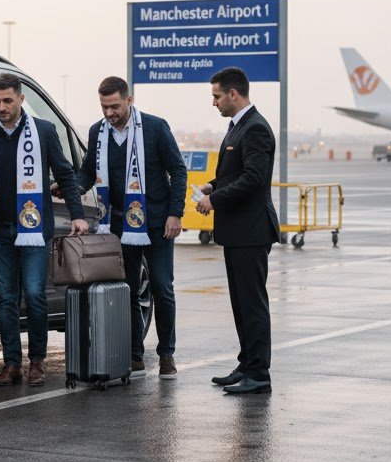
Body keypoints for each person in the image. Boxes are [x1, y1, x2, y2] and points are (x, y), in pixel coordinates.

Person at [0, 73, 88, 388]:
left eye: (7, 101)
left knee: (35, 295)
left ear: (21, 99)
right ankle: (11, 363)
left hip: (34, 230)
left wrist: (77, 216)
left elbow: (66, 175)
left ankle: (37, 361)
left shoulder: (44, 132)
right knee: (6, 299)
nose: (1, 107)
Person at [74, 76, 187, 378]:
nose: (109, 113)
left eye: (114, 106)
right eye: (103, 107)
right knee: (128, 290)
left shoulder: (154, 127)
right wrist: (70, 186)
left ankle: (166, 353)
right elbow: (88, 171)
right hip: (121, 224)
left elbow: (177, 169)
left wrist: (176, 214)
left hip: (157, 223)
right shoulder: (98, 132)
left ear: (129, 100)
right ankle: (135, 353)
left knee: (162, 287)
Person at [195, 66, 281, 395]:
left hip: (252, 230)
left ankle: (258, 374)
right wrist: (211, 185)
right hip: (237, 232)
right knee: (240, 303)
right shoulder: (238, 127)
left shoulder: (256, 128)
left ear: (233, 94)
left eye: (217, 96)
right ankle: (247, 364)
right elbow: (236, 173)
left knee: (252, 303)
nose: (214, 102)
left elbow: (254, 179)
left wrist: (214, 200)